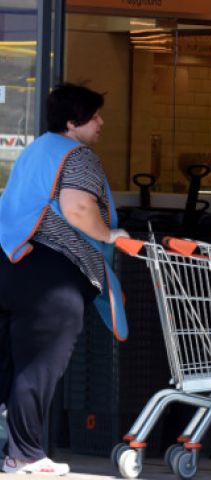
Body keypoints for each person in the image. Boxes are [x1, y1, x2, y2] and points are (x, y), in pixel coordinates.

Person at [0, 83, 129, 475]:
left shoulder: (36, 150)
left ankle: (16, 451)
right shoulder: (77, 155)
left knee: (9, 363)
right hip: (52, 276)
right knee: (38, 366)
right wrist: (110, 235)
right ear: (73, 122)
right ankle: (24, 454)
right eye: (95, 116)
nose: (101, 122)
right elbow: (77, 207)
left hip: (12, 263)